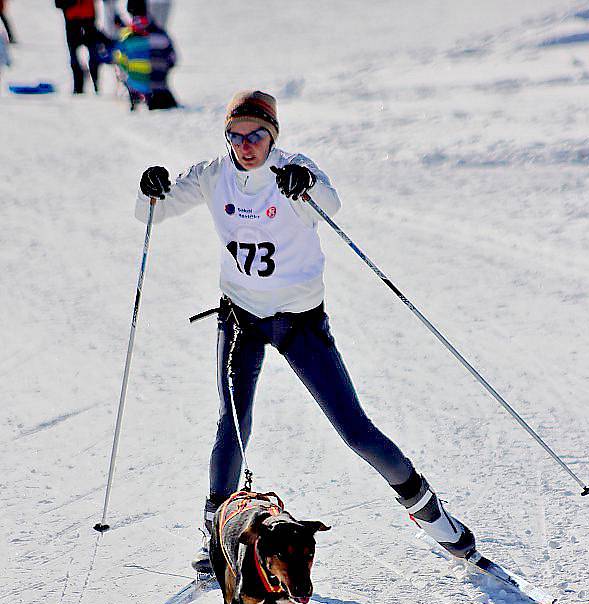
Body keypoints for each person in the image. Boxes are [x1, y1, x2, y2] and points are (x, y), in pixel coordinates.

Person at [135, 90, 476, 572]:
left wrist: (306, 185)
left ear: (272, 136)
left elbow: (330, 206)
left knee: (354, 429)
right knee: (232, 426)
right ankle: (216, 537)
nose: (244, 144)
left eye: (255, 135)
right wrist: (152, 187)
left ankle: (437, 520)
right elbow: (152, 209)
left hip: (299, 321)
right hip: (242, 318)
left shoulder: (292, 169)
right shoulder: (214, 173)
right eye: (235, 135)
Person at [115, 0, 176, 110]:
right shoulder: (160, 34)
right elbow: (173, 59)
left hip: (136, 88)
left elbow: (120, 62)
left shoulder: (127, 36)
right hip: (160, 87)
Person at [55, 0, 102, 94]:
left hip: (83, 16)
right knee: (78, 54)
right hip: (77, 16)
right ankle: (83, 86)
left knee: (89, 53)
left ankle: (90, 86)